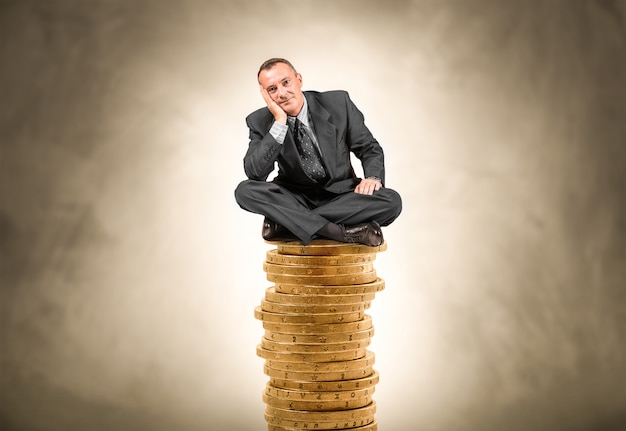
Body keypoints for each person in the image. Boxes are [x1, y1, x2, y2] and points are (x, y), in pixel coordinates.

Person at [234, 58, 402, 246]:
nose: (281, 93)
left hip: (343, 196)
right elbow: (255, 174)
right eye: (272, 89)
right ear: (264, 94)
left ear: (299, 80)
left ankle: (288, 225)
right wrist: (279, 123)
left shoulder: (338, 103)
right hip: (296, 197)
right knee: (244, 191)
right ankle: (336, 231)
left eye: (286, 82)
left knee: (391, 201)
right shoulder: (259, 121)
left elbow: (369, 147)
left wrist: (373, 177)